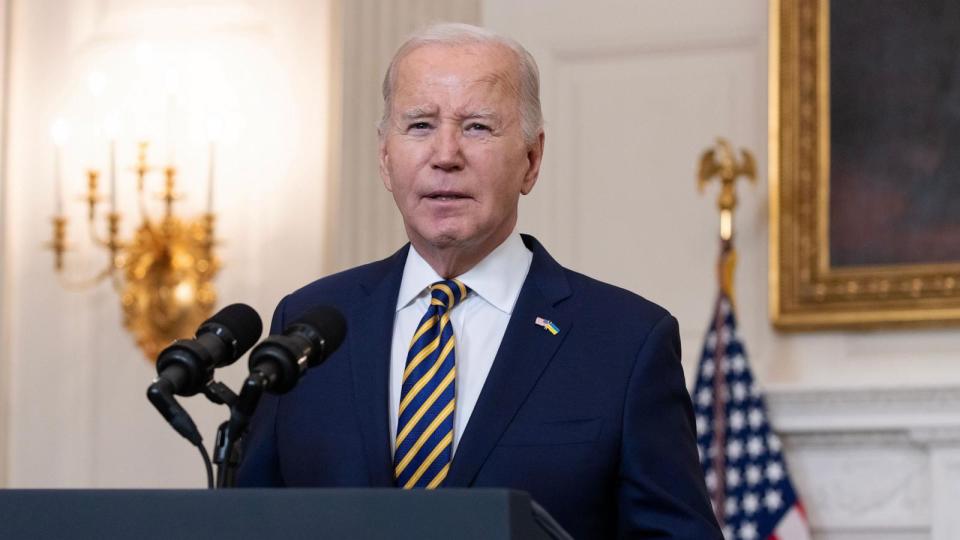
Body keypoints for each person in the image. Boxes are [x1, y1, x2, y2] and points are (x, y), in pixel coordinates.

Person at [236, 22, 721, 539]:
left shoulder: (625, 343)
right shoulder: (307, 324)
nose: (445, 155)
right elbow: (250, 523)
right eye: (420, 125)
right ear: (384, 157)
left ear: (531, 161)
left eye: (477, 127)